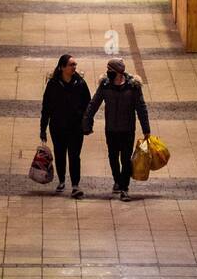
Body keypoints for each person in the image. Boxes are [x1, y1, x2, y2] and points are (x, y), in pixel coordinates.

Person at [84, 57, 150, 201]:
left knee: (126, 159)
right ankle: (117, 180)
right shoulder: (105, 86)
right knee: (113, 157)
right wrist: (87, 120)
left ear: (119, 71)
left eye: (110, 70)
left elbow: (141, 108)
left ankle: (124, 188)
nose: (108, 73)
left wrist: (146, 129)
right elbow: (93, 104)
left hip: (127, 130)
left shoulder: (133, 87)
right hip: (111, 129)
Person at [40, 54, 91, 198]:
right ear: (62, 67)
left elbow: (89, 103)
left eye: (75, 64)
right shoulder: (53, 84)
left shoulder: (80, 83)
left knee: (75, 156)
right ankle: (62, 180)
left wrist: (85, 121)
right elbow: (46, 108)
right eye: (71, 65)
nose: (74, 67)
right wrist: (43, 129)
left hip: (76, 127)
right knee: (60, 154)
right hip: (57, 127)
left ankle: (75, 184)